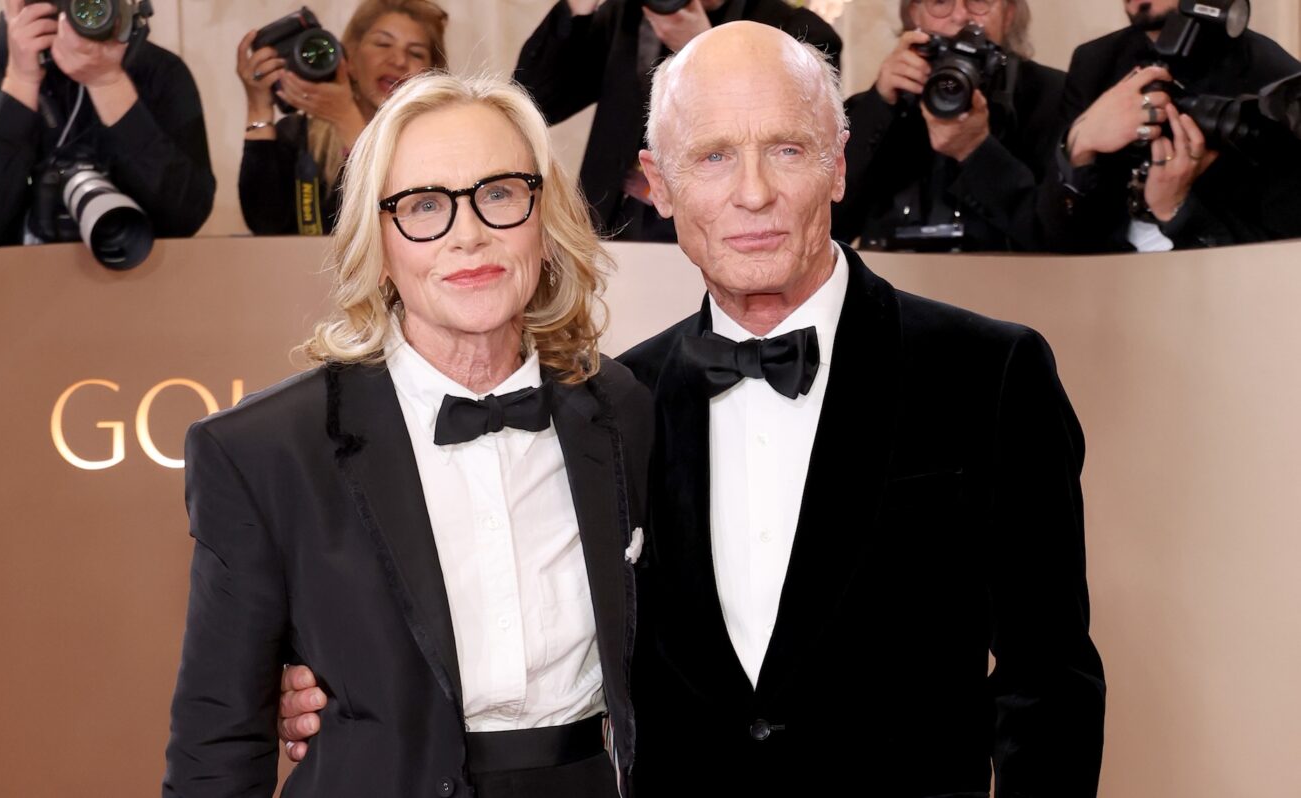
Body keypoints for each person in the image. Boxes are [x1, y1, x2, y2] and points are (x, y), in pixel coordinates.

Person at [282, 20, 1107, 796]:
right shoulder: (612, 403)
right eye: (712, 157)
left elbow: (1052, 681)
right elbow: (511, 609)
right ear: (658, 185)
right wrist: (323, 686)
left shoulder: (989, 371)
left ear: (841, 165)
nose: (753, 193)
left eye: (786, 149)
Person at [162, 72, 652, 798]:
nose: (469, 234)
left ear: (543, 219)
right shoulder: (265, 451)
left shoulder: (620, 409)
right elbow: (218, 741)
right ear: (379, 242)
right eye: (424, 205)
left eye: (499, 193)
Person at [514, 0, 841, 243]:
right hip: (612, 227)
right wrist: (578, 6)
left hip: (732, 232)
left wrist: (702, 46)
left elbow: (788, 133)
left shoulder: (793, 31)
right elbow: (533, 100)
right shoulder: (627, 18)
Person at [0, 0, 214, 250]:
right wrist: (20, 82)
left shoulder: (159, 73)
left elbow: (184, 218)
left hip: (134, 295)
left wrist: (109, 83)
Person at [1041, 0, 1301, 252]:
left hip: (1217, 280)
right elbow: (1053, 236)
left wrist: (1176, 208)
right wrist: (1079, 145)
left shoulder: (1273, 76)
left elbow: (1281, 255)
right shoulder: (1094, 62)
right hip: (1103, 282)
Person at [835, 0, 1064, 252]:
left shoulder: (1054, 98)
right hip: (893, 285)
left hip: (1016, 285)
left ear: (1009, 14)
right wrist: (879, 105)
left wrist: (976, 151)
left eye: (979, 2)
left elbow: (1059, 236)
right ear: (914, 16)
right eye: (940, 2)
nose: (960, 16)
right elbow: (827, 228)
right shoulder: (879, 104)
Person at [237, 0, 449, 236]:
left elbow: (406, 220)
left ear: (431, 72)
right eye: (383, 44)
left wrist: (346, 118)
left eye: (415, 53)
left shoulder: (440, 143)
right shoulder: (300, 135)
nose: (398, 60)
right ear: (349, 57)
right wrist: (259, 107)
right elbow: (264, 223)